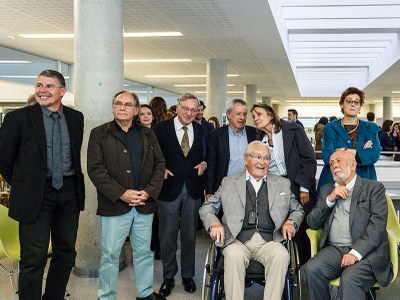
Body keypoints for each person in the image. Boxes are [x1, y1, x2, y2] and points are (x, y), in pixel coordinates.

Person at [0, 70, 85, 299]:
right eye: (39, 85)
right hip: (35, 194)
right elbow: (4, 160)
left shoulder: (76, 118)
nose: (42, 90)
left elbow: (74, 156)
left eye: (49, 86)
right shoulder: (17, 119)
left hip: (68, 192)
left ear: (62, 91)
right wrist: (26, 183)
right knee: (33, 257)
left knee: (66, 253)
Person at [199, 141, 304, 300]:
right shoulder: (229, 182)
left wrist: (291, 221)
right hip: (237, 241)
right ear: (246, 159)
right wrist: (215, 223)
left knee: (281, 255)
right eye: (258, 157)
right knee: (233, 255)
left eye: (267, 158)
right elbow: (207, 208)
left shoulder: (282, 183)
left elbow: (298, 209)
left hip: (270, 241)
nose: (262, 162)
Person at [87, 91, 166, 300]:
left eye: (127, 104)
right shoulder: (99, 133)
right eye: (118, 103)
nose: (122, 107)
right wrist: (122, 193)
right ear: (113, 107)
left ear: (136, 110)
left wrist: (148, 192)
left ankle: (145, 292)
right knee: (110, 256)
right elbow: (96, 170)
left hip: (144, 204)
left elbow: (160, 164)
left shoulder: (148, 134)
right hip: (114, 206)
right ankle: (106, 296)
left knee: (143, 253)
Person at [304, 150, 393, 300]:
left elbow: (377, 227)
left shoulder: (374, 188)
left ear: (353, 165)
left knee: (350, 278)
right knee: (312, 269)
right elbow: (312, 222)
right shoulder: (327, 189)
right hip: (335, 249)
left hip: (367, 252)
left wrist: (355, 252)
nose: (334, 166)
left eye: (338, 161)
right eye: (331, 163)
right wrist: (330, 200)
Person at [153, 93, 207, 297]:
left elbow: (205, 155)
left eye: (194, 110)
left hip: (193, 188)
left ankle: (187, 276)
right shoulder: (161, 129)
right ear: (177, 108)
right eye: (185, 108)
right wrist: (160, 170)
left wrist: (205, 163)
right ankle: (168, 276)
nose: (189, 113)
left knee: (189, 235)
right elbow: (152, 155)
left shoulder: (201, 130)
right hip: (168, 188)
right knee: (167, 235)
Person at [251, 103, 317, 266]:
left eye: (259, 114)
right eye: (253, 116)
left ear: (270, 115)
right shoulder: (260, 140)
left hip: (297, 184)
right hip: (275, 188)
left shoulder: (292, 131)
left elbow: (308, 159)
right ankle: (282, 268)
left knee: (300, 227)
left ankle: (303, 267)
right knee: (279, 226)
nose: (256, 119)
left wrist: (304, 188)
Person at [318, 87, 381, 192]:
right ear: (342, 104)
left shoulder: (370, 128)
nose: (353, 104)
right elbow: (327, 156)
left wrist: (342, 151)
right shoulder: (330, 129)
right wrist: (359, 153)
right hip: (335, 182)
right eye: (349, 101)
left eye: (357, 102)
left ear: (360, 107)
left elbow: (374, 154)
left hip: (364, 181)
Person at [205, 98, 256, 199]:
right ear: (228, 115)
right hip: (224, 188)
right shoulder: (216, 136)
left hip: (250, 188)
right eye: (238, 114)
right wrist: (209, 191)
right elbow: (211, 165)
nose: (242, 117)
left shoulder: (254, 134)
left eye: (245, 114)